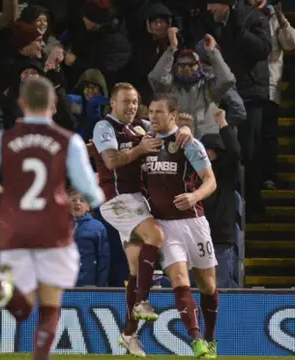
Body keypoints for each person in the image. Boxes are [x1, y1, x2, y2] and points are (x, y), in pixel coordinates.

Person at [0, 76, 104, 360]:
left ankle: (5, 289)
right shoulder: (68, 141)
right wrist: (95, 198)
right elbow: (89, 190)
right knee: (50, 306)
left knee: (23, 308)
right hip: (53, 230)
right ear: (53, 105)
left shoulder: (4, 139)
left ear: (22, 103)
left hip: (14, 229)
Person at [91, 82, 192, 357]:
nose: (131, 107)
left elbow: (174, 125)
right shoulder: (105, 127)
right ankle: (143, 302)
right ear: (113, 103)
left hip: (137, 200)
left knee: (136, 271)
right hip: (117, 199)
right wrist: (139, 149)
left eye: (135, 102)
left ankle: (129, 334)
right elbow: (111, 161)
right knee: (156, 236)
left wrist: (185, 129)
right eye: (126, 102)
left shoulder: (141, 126)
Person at [143, 93, 218, 359]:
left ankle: (210, 338)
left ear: (173, 115)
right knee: (178, 280)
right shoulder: (145, 140)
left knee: (208, 286)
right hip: (164, 224)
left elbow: (210, 181)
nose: (153, 117)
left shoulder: (188, 143)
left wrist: (195, 196)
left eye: (159, 112)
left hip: (194, 223)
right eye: (150, 112)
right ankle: (196, 339)